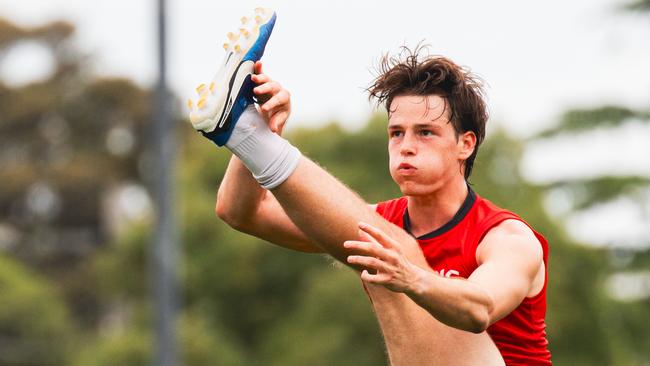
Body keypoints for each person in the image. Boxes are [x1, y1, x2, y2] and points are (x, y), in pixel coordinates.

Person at [188, 8, 550, 365]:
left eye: (425, 132)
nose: (406, 145)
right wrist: (262, 128)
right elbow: (240, 212)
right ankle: (242, 130)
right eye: (396, 133)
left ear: (465, 145)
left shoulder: (507, 239)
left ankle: (243, 131)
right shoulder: (382, 223)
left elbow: (480, 309)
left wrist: (411, 277)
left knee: (384, 249)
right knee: (381, 245)